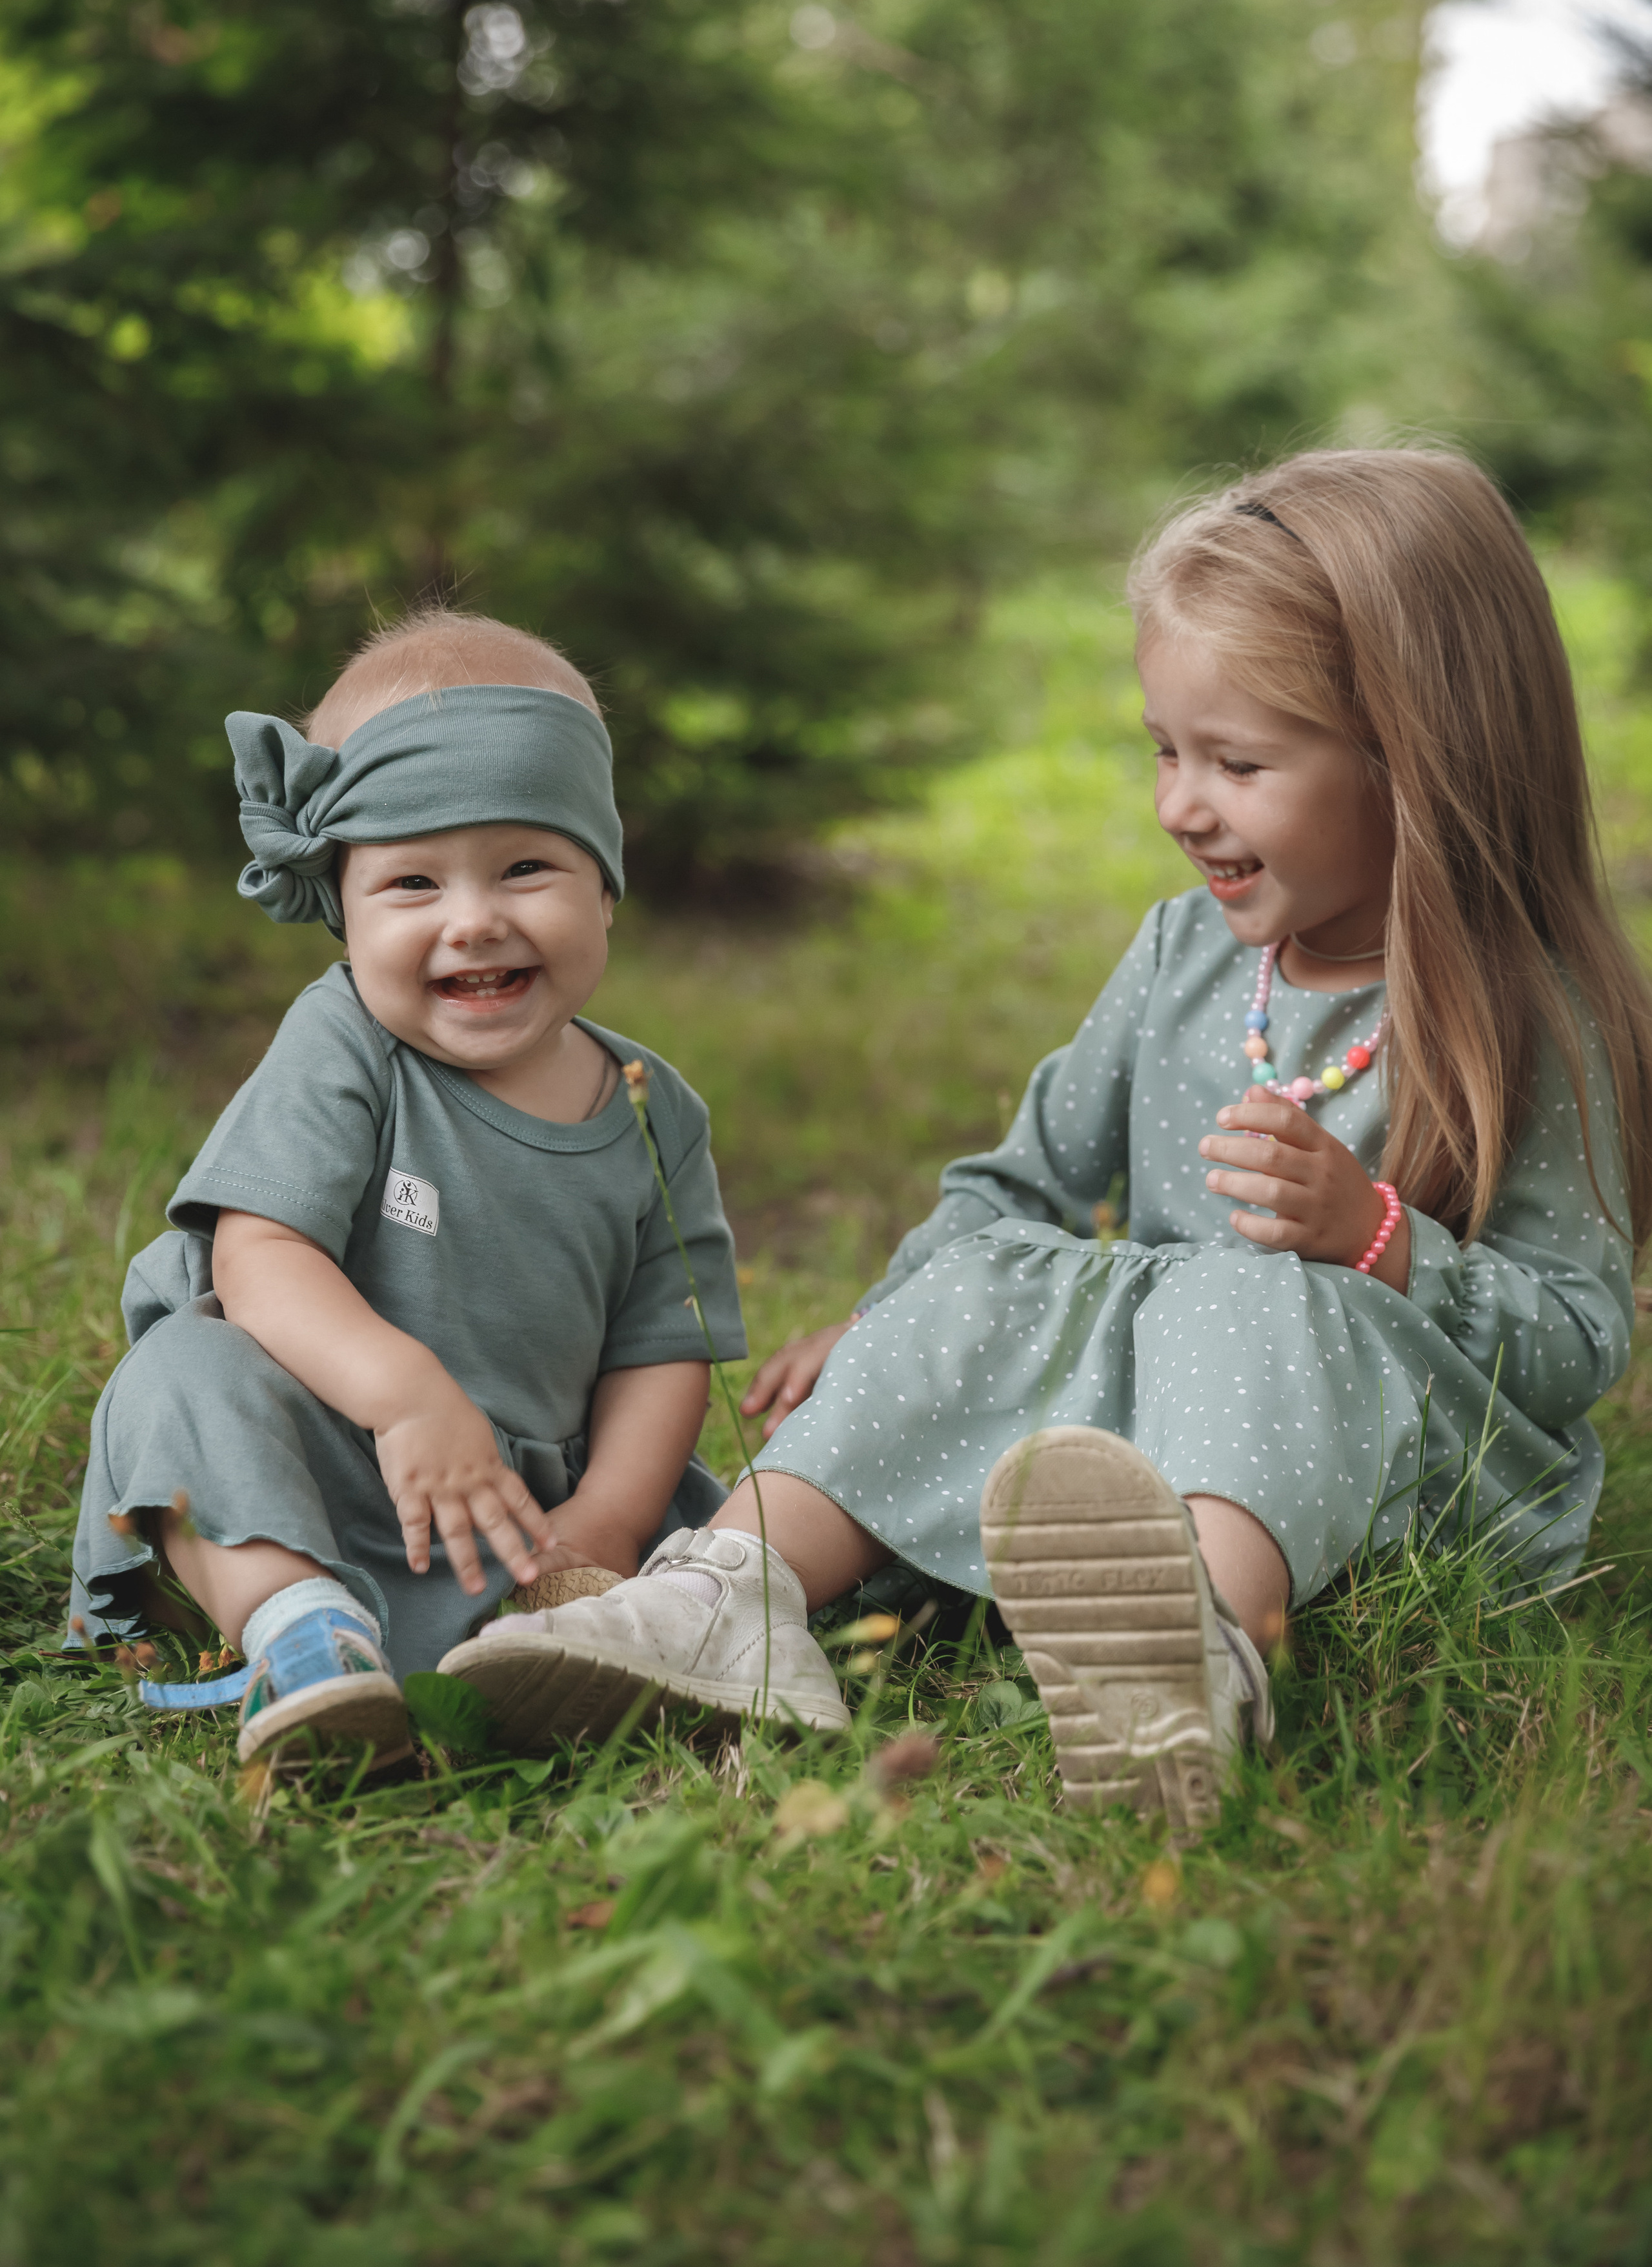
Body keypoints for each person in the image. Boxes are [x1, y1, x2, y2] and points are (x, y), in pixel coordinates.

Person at [444, 449, 1652, 1827]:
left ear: (1416, 759)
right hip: (1155, 1422)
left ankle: (1190, 1660)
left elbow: (1570, 1346)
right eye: (1163, 749)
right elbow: (1019, 1184)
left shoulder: (1528, 1017)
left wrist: (1377, 1241)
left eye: (1236, 762)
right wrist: (901, 1320)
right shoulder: (1180, 956)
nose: (1178, 805)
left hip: (1397, 1446)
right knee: (983, 1273)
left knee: (1260, 1302)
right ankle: (728, 1596)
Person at [73, 609, 749, 1769]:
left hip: (518, 1508)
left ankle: (554, 1641)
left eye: (527, 867)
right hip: (313, 1453)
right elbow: (259, 1256)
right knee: (180, 1373)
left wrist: (601, 1526)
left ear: (605, 882)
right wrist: (402, 1396)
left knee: (736, 1527)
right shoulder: (346, 1043)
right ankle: (302, 1629)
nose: (473, 918)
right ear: (342, 904)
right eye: (412, 882)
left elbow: (662, 1347)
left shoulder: (650, 1103)